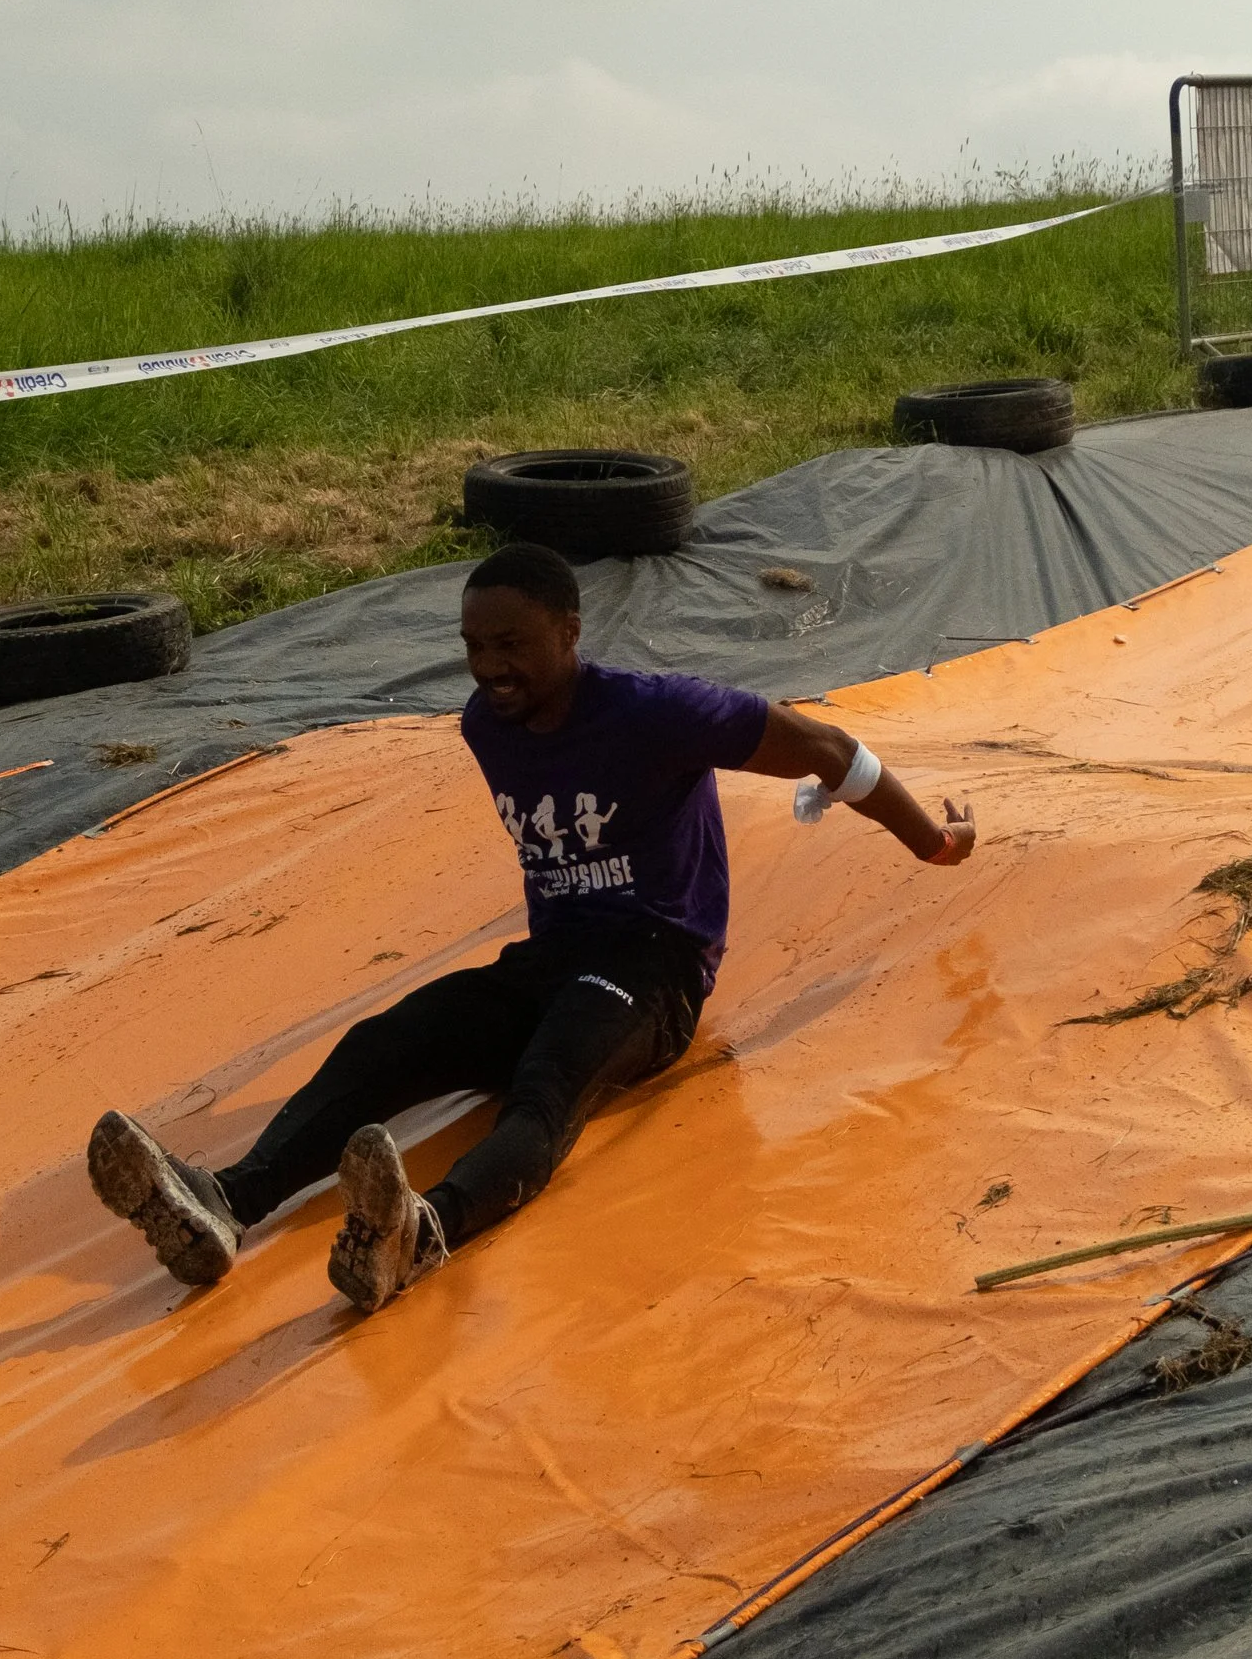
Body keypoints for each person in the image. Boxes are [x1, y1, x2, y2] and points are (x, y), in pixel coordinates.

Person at [88, 541, 978, 1316]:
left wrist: (934, 843)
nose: (488, 666)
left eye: (511, 644)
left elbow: (826, 751)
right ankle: (226, 1203)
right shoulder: (489, 725)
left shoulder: (657, 711)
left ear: (570, 632)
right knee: (389, 1040)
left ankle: (421, 1233)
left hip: (653, 969)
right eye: (474, 646)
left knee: (549, 1083)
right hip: (552, 959)